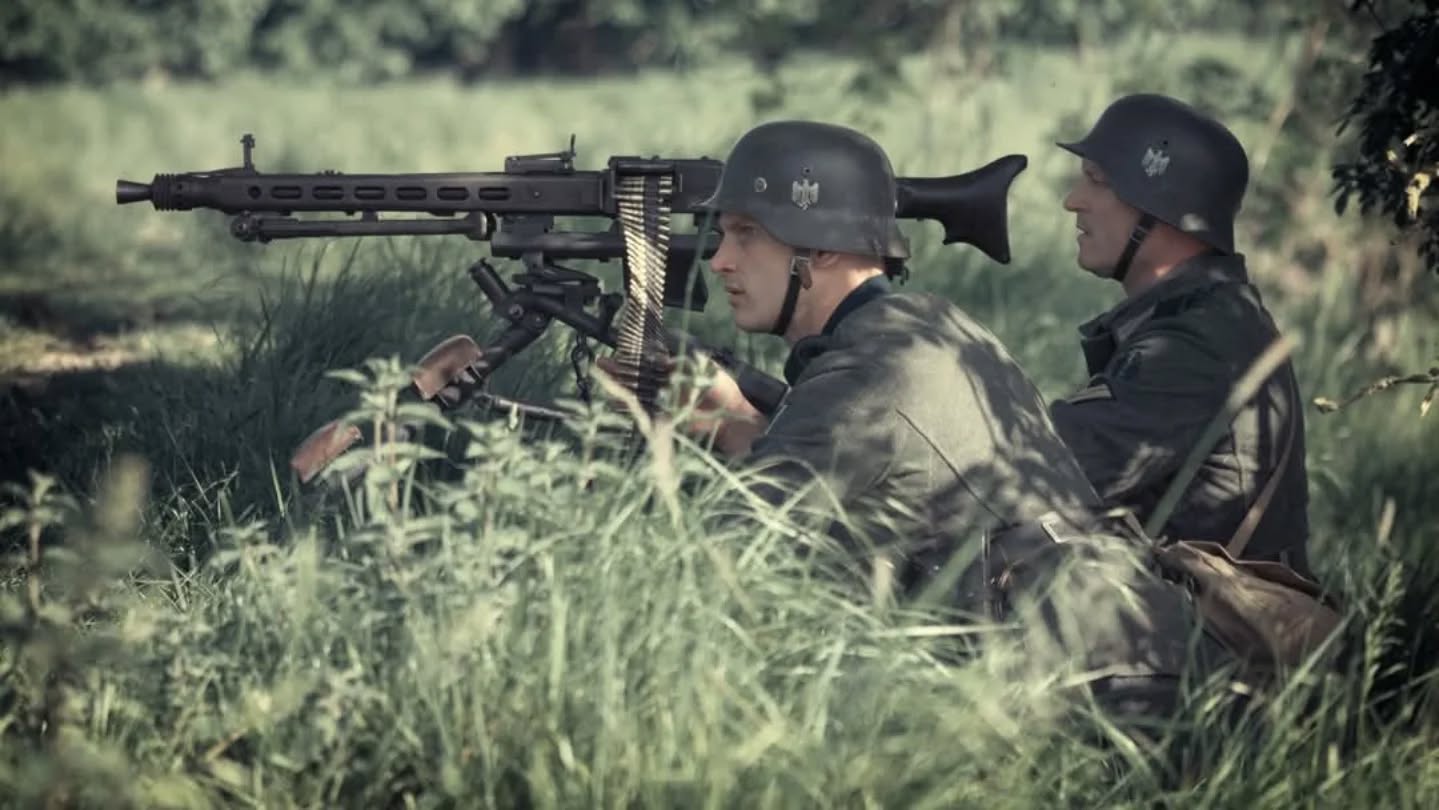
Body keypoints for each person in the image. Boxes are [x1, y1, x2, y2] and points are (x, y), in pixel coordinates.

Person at [598, 121, 1243, 746]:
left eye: (745, 234)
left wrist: (685, 438)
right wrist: (736, 425)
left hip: (1100, 705)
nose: (720, 259)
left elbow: (728, 566)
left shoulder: (874, 372)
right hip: (1124, 664)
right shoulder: (925, 329)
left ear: (817, 249)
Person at [1048, 93, 1314, 579]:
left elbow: (1045, 473)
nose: (1073, 201)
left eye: (1097, 182)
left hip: (1209, 640)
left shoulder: (1196, 345)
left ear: (1160, 207)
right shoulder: (1213, 316)